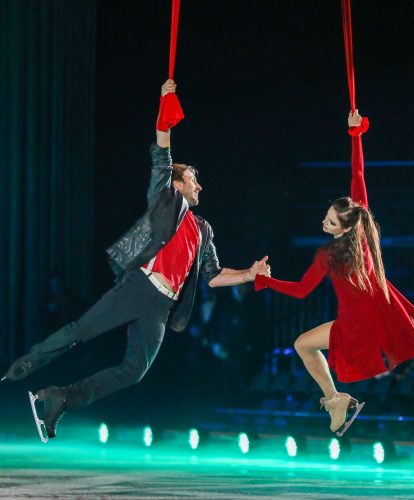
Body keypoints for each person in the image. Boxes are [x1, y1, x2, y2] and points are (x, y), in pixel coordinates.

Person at [2, 79, 270, 441]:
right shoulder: (165, 201)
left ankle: (60, 398)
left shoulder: (204, 229)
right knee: (80, 332)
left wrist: (249, 274)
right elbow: (162, 152)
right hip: (139, 287)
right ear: (176, 185)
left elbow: (213, 275)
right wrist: (165, 107)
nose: (199, 186)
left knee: (134, 372)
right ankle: (23, 367)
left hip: (161, 307)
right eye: (193, 181)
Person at [254, 110, 414, 435]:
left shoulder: (327, 254)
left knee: (302, 345)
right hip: (386, 305)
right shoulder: (365, 233)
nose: (323, 223)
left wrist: (265, 280)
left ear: (343, 226)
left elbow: (301, 291)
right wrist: (356, 137)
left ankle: (334, 398)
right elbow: (359, 175)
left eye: (329, 220)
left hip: (358, 322)